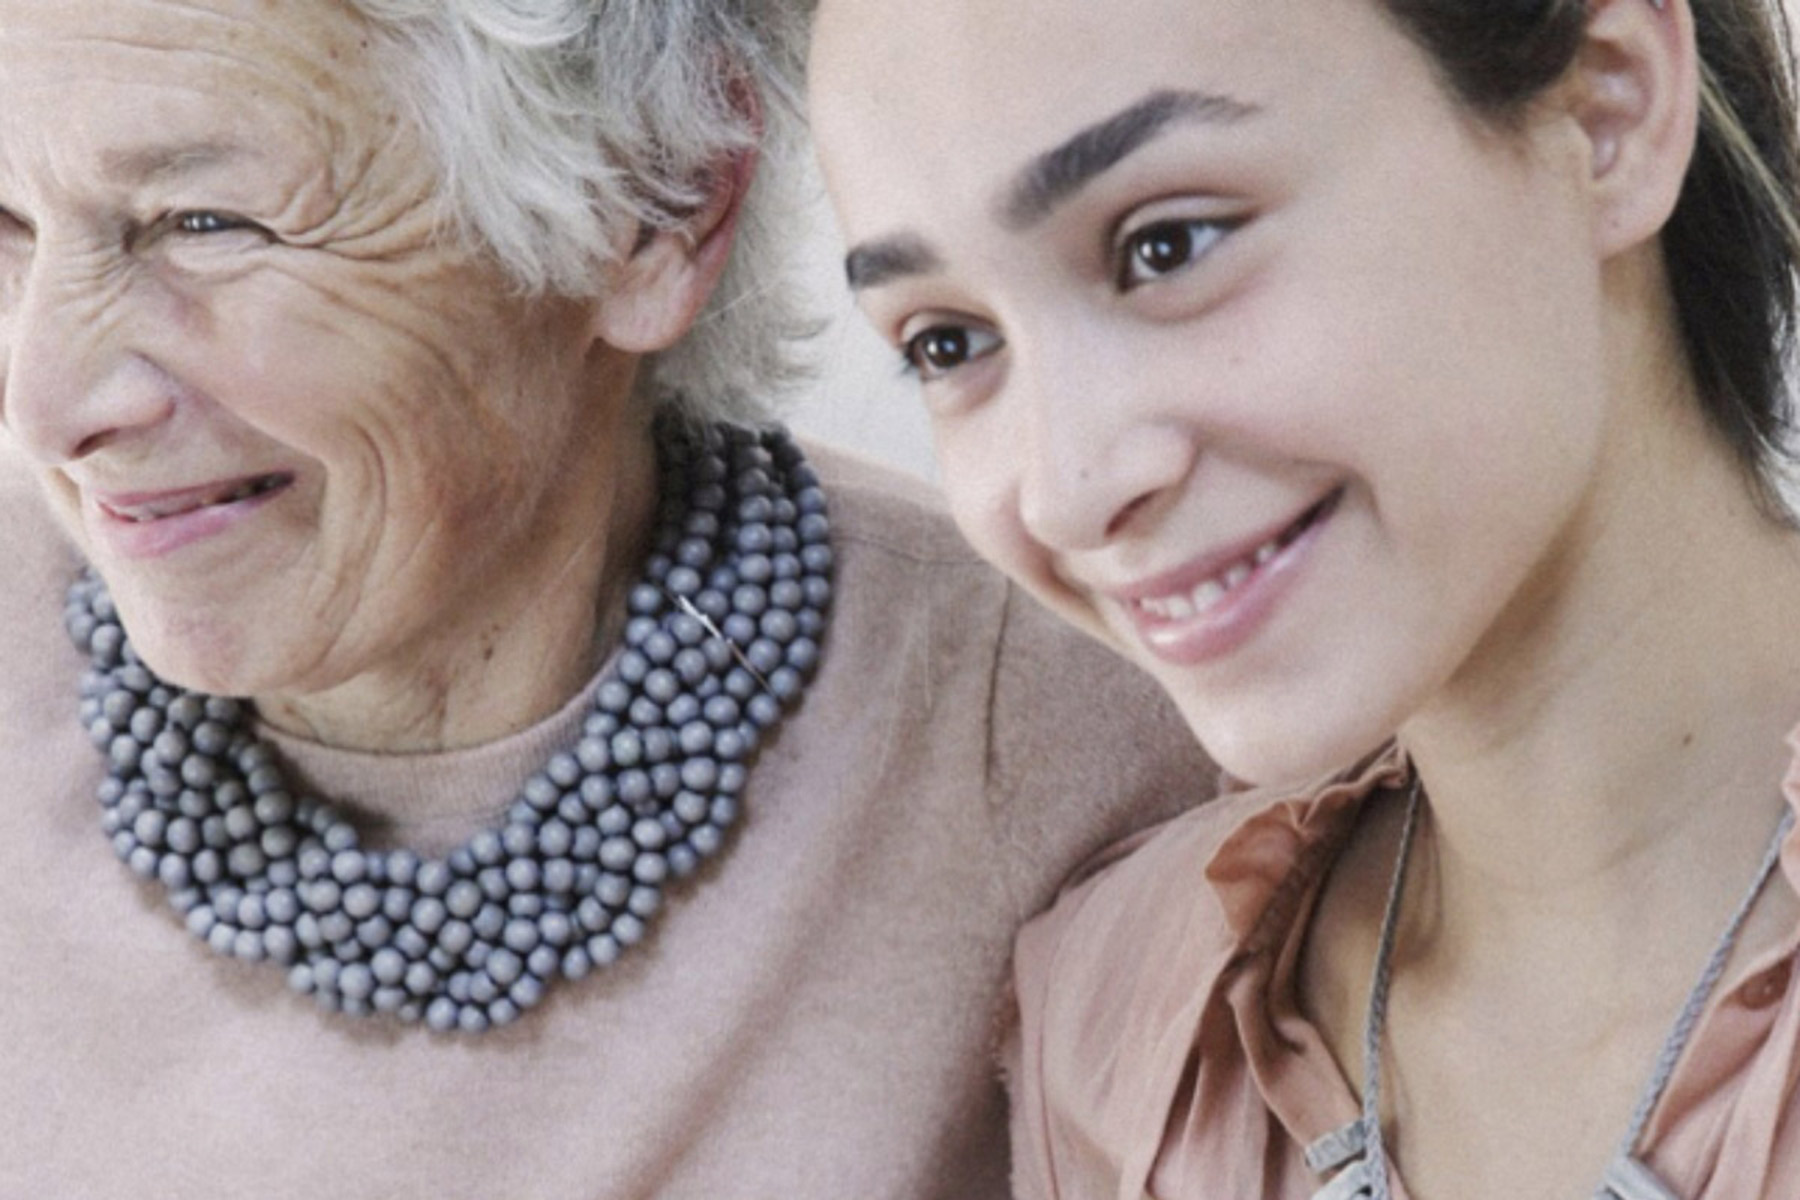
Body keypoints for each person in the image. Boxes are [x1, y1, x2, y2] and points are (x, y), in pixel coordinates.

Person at [0, 2, 1213, 1196]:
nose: (45, 404)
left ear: (653, 204)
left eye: (203, 223)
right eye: (6, 220)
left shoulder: (1097, 720)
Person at [808, 0, 1800, 1195]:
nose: (1064, 491)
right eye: (949, 343)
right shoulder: (1124, 1039)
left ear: (1606, 108)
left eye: (1167, 245)